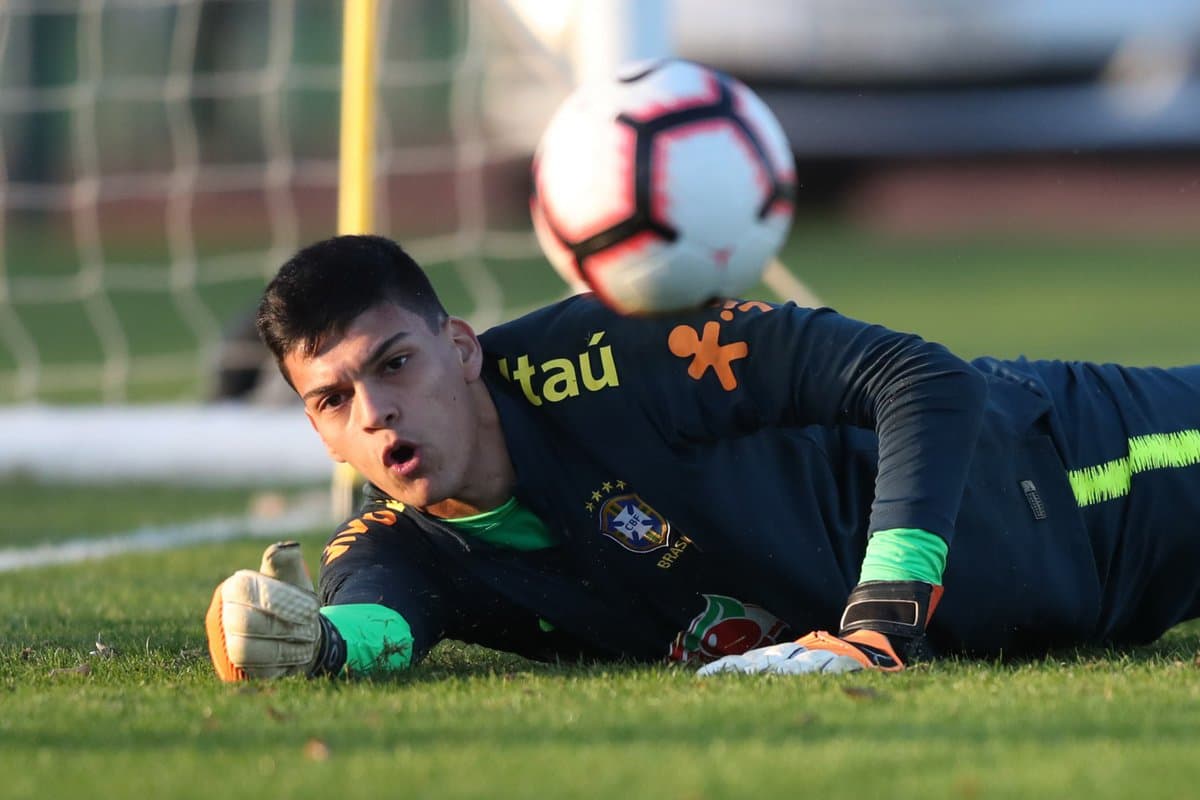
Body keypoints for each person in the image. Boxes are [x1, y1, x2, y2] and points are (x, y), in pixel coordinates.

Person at [205, 234, 1200, 681]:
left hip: (1075, 477)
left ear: (460, 347)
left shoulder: (609, 355)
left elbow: (920, 378)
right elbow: (368, 628)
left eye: (395, 363)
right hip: (1070, 612)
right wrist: (298, 643)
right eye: (333, 400)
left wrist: (882, 620)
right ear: (318, 430)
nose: (376, 411)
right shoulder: (398, 548)